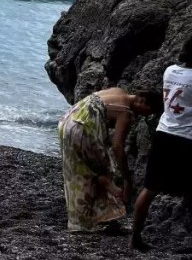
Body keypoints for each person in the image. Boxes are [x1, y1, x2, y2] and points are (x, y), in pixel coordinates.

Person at [56, 86, 160, 234]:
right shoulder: (126, 113)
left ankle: (91, 216)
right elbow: (118, 147)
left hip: (67, 122)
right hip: (82, 129)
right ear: (141, 101)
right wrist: (127, 180)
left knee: (80, 170)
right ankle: (92, 220)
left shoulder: (118, 91)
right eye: (147, 111)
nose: (144, 116)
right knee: (104, 169)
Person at [130, 36, 192, 251]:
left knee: (149, 188)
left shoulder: (169, 71)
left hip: (163, 132)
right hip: (186, 137)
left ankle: (135, 237)